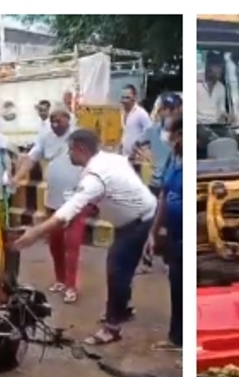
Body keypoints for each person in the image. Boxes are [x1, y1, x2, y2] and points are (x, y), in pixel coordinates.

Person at [12, 128, 157, 345]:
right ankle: (123, 308)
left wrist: (34, 233)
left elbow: (64, 215)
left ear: (81, 149)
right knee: (123, 268)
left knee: (116, 269)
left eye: (70, 149)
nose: (68, 154)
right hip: (139, 216)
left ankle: (112, 327)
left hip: (135, 224)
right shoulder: (110, 158)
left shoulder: (94, 177)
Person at [12, 105, 88, 303]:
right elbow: (31, 158)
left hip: (76, 201)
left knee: (72, 245)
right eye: (52, 120)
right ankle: (61, 280)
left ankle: (72, 286)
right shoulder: (45, 136)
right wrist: (17, 177)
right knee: (55, 244)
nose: (54, 124)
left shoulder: (79, 136)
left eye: (58, 120)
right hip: (53, 201)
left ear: (68, 118)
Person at [145, 115, 183, 360]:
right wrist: (153, 232)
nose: (169, 138)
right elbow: (162, 196)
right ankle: (176, 338)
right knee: (176, 285)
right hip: (172, 233)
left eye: (173, 134)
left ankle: (183, 341)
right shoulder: (174, 158)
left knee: (184, 286)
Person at [120, 84, 151, 161]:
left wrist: (139, 146)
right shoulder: (122, 112)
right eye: (123, 97)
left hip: (137, 158)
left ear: (134, 98)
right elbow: (126, 132)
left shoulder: (141, 113)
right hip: (125, 157)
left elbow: (150, 133)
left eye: (127, 98)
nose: (124, 100)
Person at [198, 53, 229, 125]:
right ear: (208, 67)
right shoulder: (197, 84)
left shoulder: (221, 88)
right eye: (216, 67)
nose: (219, 71)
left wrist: (226, 117)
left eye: (221, 68)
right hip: (198, 125)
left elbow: (221, 109)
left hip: (215, 125)